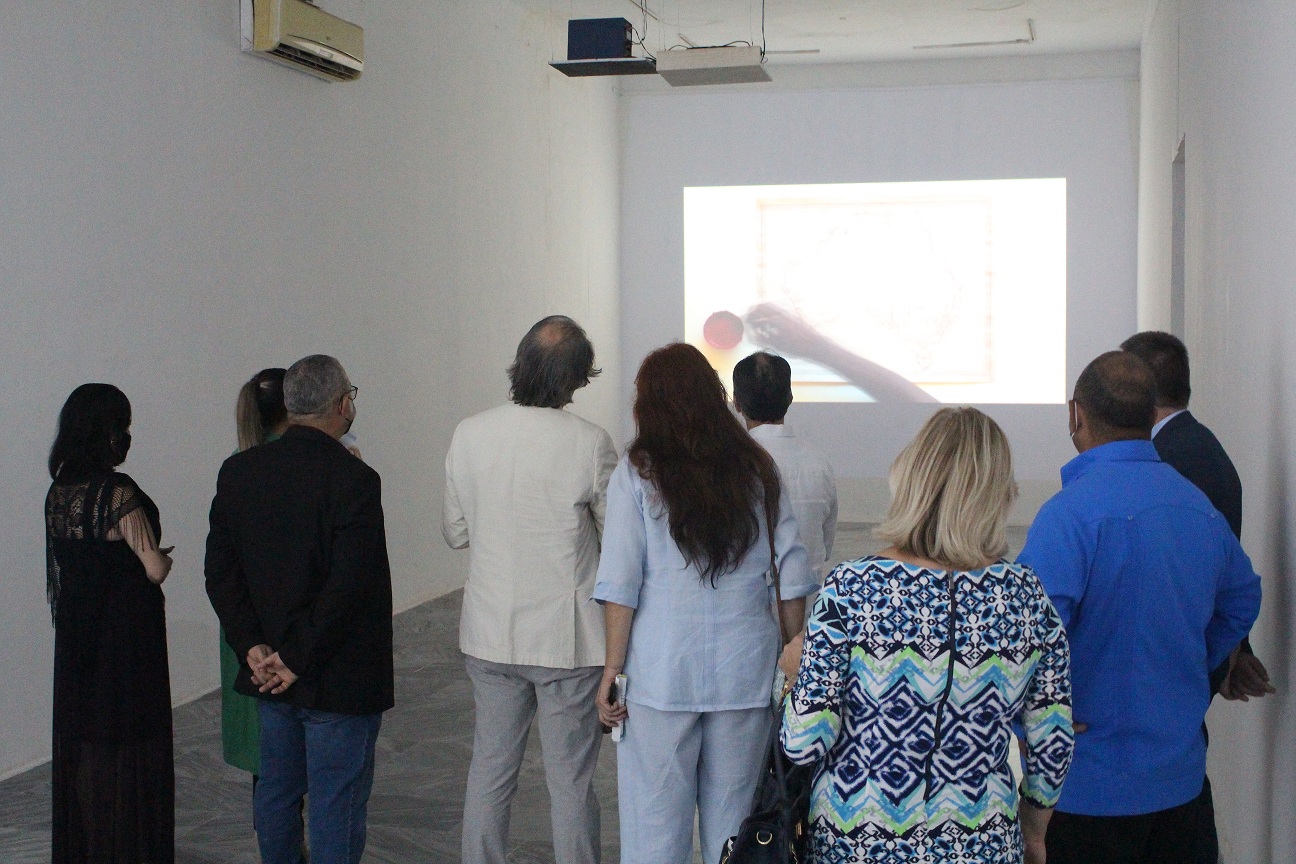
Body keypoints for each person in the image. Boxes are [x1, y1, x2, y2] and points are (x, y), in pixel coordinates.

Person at [778, 407, 1074, 864]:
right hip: (983, 843)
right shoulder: (1026, 596)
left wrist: (797, 672)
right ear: (999, 495)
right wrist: (1034, 832)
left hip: (856, 843)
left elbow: (803, 741)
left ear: (910, 479)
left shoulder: (853, 588)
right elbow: (1052, 742)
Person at [1017, 351, 1262, 864]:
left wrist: (1035, 717)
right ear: (1153, 415)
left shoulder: (1067, 517)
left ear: (1074, 415)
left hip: (1086, 789)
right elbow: (1243, 598)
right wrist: (1197, 664)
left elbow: (1025, 642)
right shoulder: (1195, 505)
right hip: (1181, 782)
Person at [593, 342, 817, 864]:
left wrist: (611, 670)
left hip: (659, 676)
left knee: (653, 832)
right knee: (736, 834)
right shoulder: (756, 468)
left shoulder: (638, 473)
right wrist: (792, 652)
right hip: (744, 671)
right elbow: (791, 576)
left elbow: (621, 583)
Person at [206, 354, 393, 864]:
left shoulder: (239, 472)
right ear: (343, 404)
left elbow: (221, 575)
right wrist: (295, 657)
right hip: (336, 678)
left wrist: (253, 647)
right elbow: (348, 587)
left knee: (277, 793)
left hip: (270, 676)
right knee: (337, 801)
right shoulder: (354, 479)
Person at [443, 315, 617, 864]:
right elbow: (618, 541)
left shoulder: (469, 432)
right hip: (566, 641)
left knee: (490, 774)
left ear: (519, 364)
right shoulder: (590, 443)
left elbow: (455, 532)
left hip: (490, 632)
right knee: (570, 783)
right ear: (576, 379)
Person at [46, 383, 176, 863]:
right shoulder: (116, 492)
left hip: (78, 636)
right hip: (125, 637)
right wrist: (163, 559)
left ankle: (91, 847)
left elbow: (67, 568)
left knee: (88, 742)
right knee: (128, 742)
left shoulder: (59, 494)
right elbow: (152, 568)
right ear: (108, 431)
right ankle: (128, 846)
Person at [1119, 331, 1273, 700]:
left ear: (1139, 389)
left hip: (1166, 671)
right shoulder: (1197, 446)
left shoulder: (1168, 462)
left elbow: (1189, 575)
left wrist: (1226, 654)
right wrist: (1233, 651)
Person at [220, 368, 289, 790]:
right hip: (283, 624)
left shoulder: (236, 466)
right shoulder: (310, 464)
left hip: (245, 626)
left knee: (267, 761)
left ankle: (275, 839)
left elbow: (222, 561)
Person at [732, 351, 838, 581]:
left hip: (745, 610)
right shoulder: (819, 465)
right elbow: (825, 548)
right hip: (808, 610)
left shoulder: (728, 465)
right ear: (790, 398)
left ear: (736, 403)